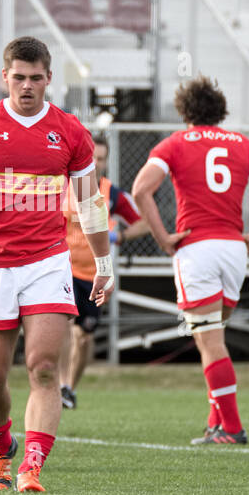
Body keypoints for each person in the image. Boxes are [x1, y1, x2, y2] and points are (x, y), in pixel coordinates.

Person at [0, 37, 113, 491]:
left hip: (47, 263)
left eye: (36, 78)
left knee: (44, 367)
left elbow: (90, 203)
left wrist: (103, 262)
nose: (27, 86)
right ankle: (0, 449)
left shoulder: (70, 131)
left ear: (49, 78)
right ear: (5, 77)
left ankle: (32, 465)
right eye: (19, 78)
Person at [131, 75, 249, 445]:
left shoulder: (173, 144)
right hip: (234, 249)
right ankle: (216, 424)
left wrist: (163, 238)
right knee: (214, 338)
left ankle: (233, 428)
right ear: (221, 110)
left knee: (209, 343)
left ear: (184, 110)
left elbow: (141, 189)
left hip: (196, 248)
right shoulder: (243, 145)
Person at [57, 135, 147, 409]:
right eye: (92, 156)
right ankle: (60, 385)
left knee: (85, 336)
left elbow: (144, 223)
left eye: (101, 158)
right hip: (64, 269)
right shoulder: (63, 188)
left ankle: (71, 387)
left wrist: (117, 236)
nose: (96, 162)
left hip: (94, 274)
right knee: (65, 328)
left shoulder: (112, 193)